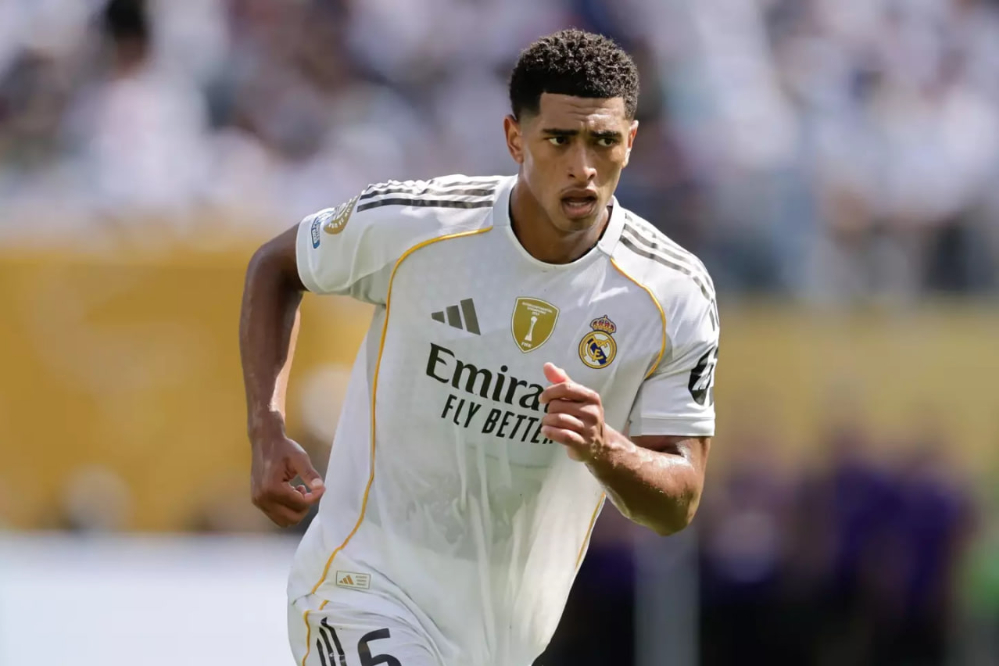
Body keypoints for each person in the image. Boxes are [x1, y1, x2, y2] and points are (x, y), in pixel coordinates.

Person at [239, 29, 719, 666]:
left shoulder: (672, 294)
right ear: (515, 138)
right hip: (362, 586)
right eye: (559, 139)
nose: (582, 166)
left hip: (503, 642)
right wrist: (266, 428)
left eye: (603, 141)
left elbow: (678, 501)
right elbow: (277, 266)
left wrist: (606, 449)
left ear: (630, 142)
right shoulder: (420, 225)